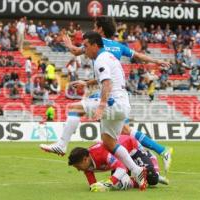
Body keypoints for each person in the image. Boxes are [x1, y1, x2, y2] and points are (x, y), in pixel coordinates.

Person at [62, 16, 173, 174]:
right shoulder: (117, 46)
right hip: (118, 92)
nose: (93, 29)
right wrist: (156, 61)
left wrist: (67, 42)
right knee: (124, 131)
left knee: (81, 111)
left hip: (110, 95)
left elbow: (75, 51)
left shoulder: (97, 44)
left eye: (95, 26)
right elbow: (138, 57)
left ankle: (62, 144)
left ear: (100, 29)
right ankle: (160, 152)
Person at [41, 32, 147, 190]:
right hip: (123, 104)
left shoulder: (100, 59)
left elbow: (107, 83)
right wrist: (85, 82)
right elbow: (107, 79)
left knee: (75, 108)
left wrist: (101, 105)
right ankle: (136, 170)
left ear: (95, 45)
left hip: (114, 102)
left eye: (86, 46)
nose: (85, 49)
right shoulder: (110, 57)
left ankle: (62, 145)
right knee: (109, 143)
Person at [68, 135, 169, 192]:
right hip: (117, 160)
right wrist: (96, 187)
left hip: (132, 149)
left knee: (153, 180)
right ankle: (140, 177)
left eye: (77, 166)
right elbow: (93, 186)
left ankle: (151, 158)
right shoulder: (86, 167)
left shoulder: (100, 153)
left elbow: (122, 168)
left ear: (85, 159)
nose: (78, 169)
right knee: (120, 184)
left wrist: (107, 183)